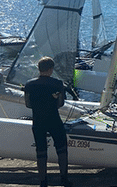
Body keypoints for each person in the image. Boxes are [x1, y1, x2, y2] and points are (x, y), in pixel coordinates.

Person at [24, 56, 72, 187]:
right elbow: (60, 103)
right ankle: (64, 179)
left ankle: (43, 182)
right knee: (61, 148)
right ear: (51, 69)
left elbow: (28, 104)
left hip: (38, 121)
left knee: (41, 150)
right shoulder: (57, 83)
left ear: (39, 69)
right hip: (53, 119)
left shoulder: (29, 84)